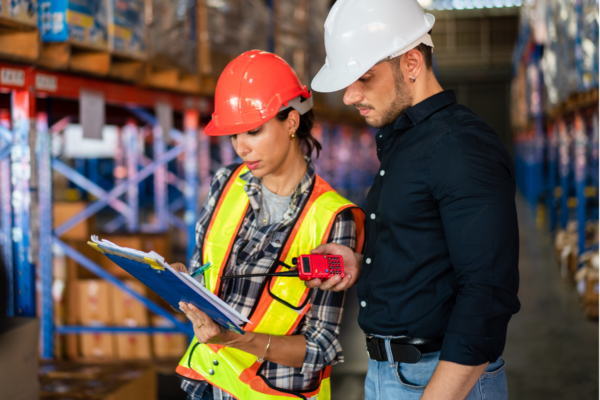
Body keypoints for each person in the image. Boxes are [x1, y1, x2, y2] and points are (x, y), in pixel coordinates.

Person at [306, 1, 521, 399]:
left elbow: (488, 292)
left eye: (365, 78)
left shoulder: (460, 146)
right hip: (390, 372)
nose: (350, 96)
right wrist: (362, 263)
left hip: (440, 380)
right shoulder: (403, 140)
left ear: (411, 64)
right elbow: (424, 243)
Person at [171, 50, 365, 400]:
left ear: (291, 122)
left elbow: (319, 347)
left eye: (253, 132)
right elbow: (204, 276)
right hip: (206, 387)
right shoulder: (225, 183)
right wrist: (181, 283)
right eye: (233, 136)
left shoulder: (334, 218)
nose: (241, 148)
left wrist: (233, 339)